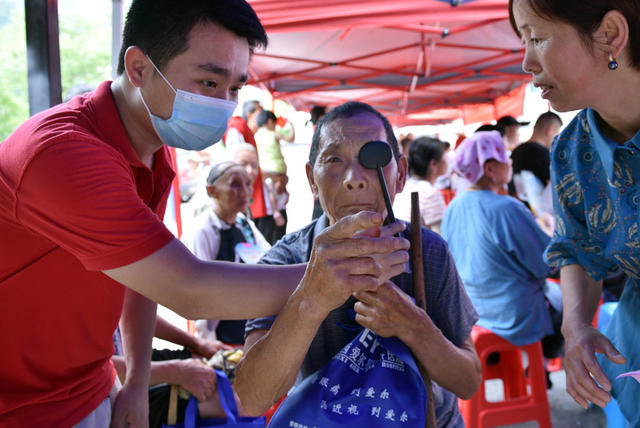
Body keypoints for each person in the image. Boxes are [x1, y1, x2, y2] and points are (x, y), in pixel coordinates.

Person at [0, 1, 409, 425]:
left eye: (234, 88)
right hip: (19, 404)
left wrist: (137, 382)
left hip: (89, 385)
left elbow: (140, 278)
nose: (223, 103)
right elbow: (187, 289)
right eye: (209, 81)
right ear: (139, 67)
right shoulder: (64, 154)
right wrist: (333, 273)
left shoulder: (152, 153)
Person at [235, 101, 482, 427]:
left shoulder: (427, 252)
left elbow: (467, 382)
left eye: (373, 158)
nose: (354, 179)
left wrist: (413, 326)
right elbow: (252, 398)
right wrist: (312, 296)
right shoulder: (285, 261)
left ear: (401, 175)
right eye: (334, 159)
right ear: (312, 180)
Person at [509, 0, 640, 422]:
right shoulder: (571, 151)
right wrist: (577, 325)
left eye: (538, 37)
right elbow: (576, 248)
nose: (527, 62)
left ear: (610, 36)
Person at [441, 131, 563, 365]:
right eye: (505, 157)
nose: (510, 161)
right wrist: (550, 232)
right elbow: (546, 263)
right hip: (513, 314)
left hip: (473, 311)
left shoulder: (454, 207)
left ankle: (535, 368)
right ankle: (552, 365)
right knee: (575, 305)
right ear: (489, 169)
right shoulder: (507, 207)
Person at [183, 161, 271, 345]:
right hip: (220, 331)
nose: (246, 192)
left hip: (248, 321)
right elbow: (200, 291)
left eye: (248, 184)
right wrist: (207, 342)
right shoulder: (202, 230)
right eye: (235, 184)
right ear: (212, 191)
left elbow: (271, 259)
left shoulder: (244, 224)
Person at [510, 112, 563, 219]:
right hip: (542, 219)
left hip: (518, 214)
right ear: (549, 130)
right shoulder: (543, 153)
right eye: (557, 132)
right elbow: (555, 186)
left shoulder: (515, 152)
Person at [223, 100, 268, 222]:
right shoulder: (236, 129)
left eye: (253, 165)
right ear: (250, 114)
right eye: (259, 111)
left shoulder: (247, 131)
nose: (250, 170)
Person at [393, 136, 448, 234]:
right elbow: (440, 236)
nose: (447, 160)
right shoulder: (430, 194)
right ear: (433, 164)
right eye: (444, 155)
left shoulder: (404, 187)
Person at [254, 110, 289, 244]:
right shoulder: (274, 134)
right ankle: (276, 212)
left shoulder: (255, 136)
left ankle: (276, 211)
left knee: (274, 193)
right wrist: (287, 124)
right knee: (276, 193)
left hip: (269, 174)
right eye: (274, 123)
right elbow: (290, 137)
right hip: (275, 172)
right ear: (270, 121)